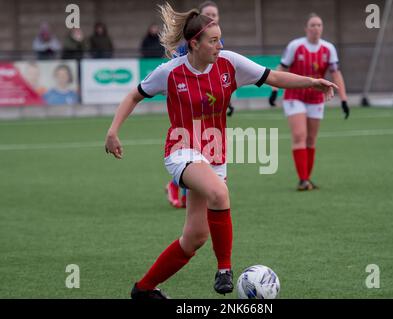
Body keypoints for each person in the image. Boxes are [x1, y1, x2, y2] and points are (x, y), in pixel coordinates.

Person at [104, 2, 337, 299]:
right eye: (213, 40)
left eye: (220, 39)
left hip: (215, 155)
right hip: (181, 150)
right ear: (194, 44)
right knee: (219, 194)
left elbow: (273, 77)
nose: (219, 45)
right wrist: (113, 131)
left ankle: (144, 289)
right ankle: (225, 269)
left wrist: (312, 82)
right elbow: (134, 95)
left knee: (194, 238)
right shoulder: (170, 72)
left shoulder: (229, 63)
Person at [268, 13, 350, 191]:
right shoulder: (295, 46)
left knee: (311, 139)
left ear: (322, 28)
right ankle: (303, 180)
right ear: (306, 28)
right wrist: (274, 91)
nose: (316, 28)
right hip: (294, 96)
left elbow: (336, 74)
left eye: (319, 25)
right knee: (299, 135)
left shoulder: (329, 49)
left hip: (315, 98)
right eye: (312, 25)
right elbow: (282, 68)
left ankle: (307, 178)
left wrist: (343, 99)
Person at [165, 0, 232, 209]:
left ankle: (183, 192)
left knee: (197, 230)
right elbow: (179, 77)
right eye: (208, 13)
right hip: (189, 117)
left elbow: (222, 80)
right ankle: (175, 186)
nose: (213, 16)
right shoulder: (189, 49)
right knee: (191, 155)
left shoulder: (217, 46)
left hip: (207, 122)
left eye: (215, 13)